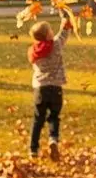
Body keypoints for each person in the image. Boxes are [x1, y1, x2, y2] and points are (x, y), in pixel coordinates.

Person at [28, 11, 74, 162]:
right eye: (50, 31)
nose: (53, 32)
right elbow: (65, 31)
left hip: (40, 88)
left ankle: (33, 149)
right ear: (47, 35)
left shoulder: (33, 51)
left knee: (38, 119)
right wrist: (64, 15)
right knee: (54, 117)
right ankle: (53, 139)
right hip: (56, 88)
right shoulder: (55, 45)